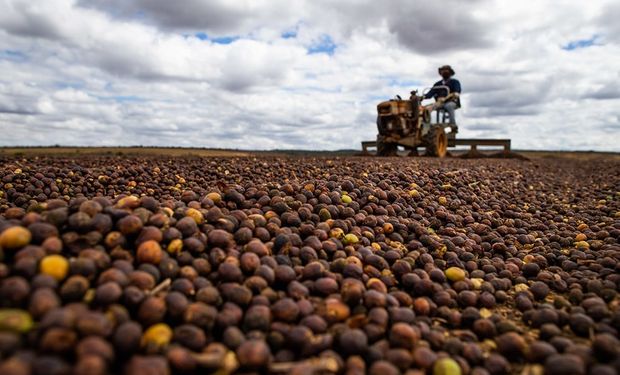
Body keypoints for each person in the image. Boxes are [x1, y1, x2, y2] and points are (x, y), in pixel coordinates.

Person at [424, 65, 461, 132]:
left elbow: (456, 92)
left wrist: (446, 97)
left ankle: (453, 125)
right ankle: (426, 127)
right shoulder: (438, 84)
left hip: (451, 101)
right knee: (427, 108)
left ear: (450, 72)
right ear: (440, 73)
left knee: (449, 106)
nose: (444, 72)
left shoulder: (455, 82)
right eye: (443, 70)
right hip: (439, 103)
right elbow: (430, 94)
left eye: (446, 70)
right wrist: (422, 97)